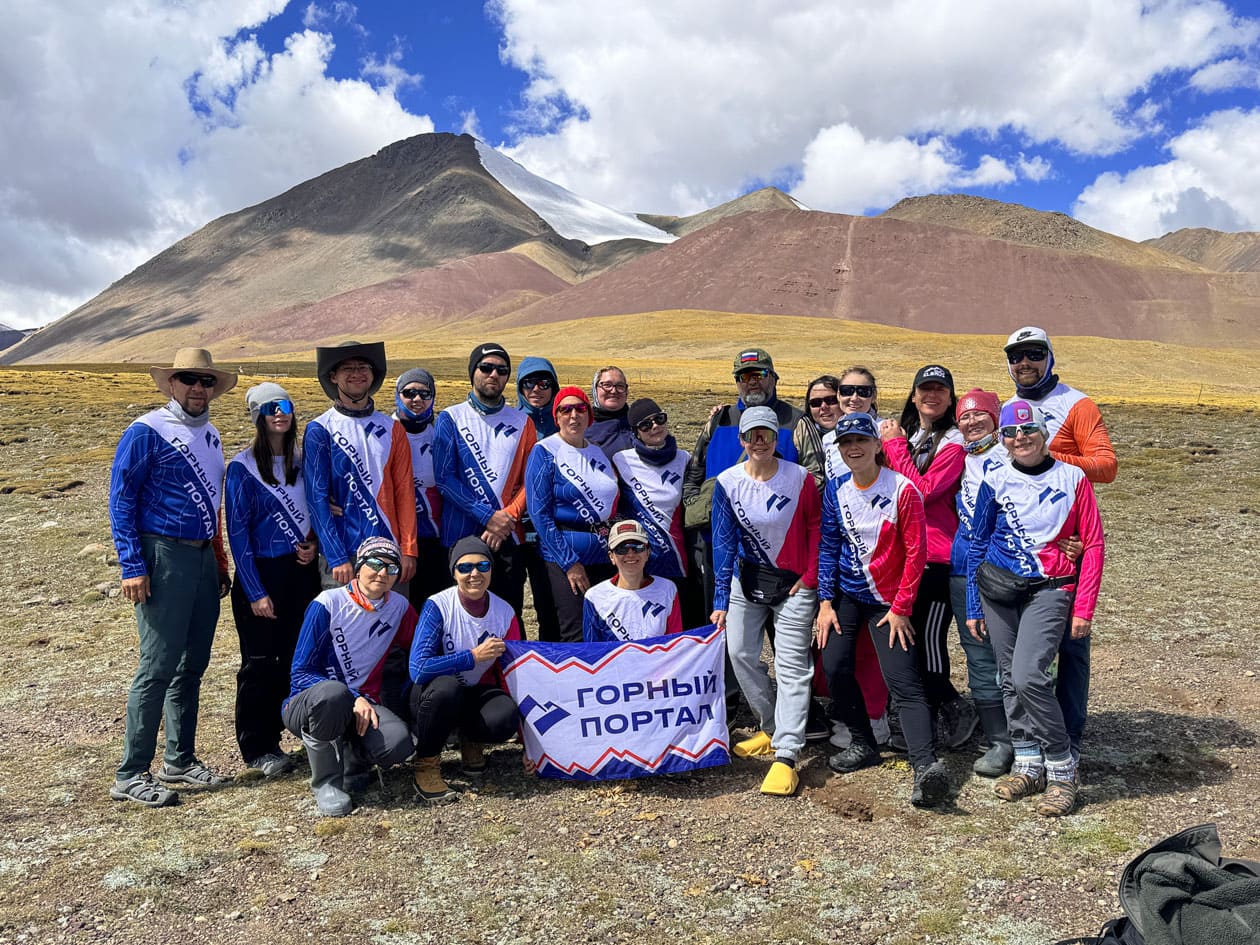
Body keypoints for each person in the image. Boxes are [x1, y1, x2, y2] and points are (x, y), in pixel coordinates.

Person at [108, 348, 236, 806]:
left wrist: (218, 560)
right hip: (162, 552)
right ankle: (131, 772)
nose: (198, 388)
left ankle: (179, 758)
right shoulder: (146, 431)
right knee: (158, 664)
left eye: (206, 381)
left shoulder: (212, 435)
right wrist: (132, 565)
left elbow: (212, 505)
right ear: (171, 384)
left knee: (192, 663)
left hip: (201, 556)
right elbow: (121, 499)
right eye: (188, 379)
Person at [966, 401, 1105, 816]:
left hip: (1051, 587)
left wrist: (1084, 608)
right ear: (1002, 439)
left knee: (1029, 675)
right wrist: (973, 604)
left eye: (1029, 430)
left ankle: (1062, 768)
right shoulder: (995, 477)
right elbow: (978, 541)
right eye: (1010, 432)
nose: (1020, 438)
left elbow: (1094, 544)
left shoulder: (1072, 477)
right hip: (998, 589)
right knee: (1008, 676)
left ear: (1044, 434)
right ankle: (1028, 762)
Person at [814, 413, 949, 808]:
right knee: (834, 666)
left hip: (890, 602)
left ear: (877, 445)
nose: (853, 448)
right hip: (847, 595)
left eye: (860, 440)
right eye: (845, 442)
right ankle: (863, 743)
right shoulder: (836, 489)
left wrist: (902, 608)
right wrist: (825, 602)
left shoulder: (903, 489)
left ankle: (925, 767)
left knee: (902, 680)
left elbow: (916, 552)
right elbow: (829, 546)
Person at [1003, 326, 1117, 760]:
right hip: (1022, 546)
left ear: (1050, 356)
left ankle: (1071, 736)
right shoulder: (1010, 407)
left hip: (1069, 541)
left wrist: (1046, 456)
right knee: (1022, 647)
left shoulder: (1077, 404)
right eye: (1016, 356)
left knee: (1071, 642)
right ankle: (1030, 736)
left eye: (1034, 353)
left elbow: (1106, 465)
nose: (1025, 363)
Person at [709, 407, 819, 798]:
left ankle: (787, 752)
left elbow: (816, 526)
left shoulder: (800, 478)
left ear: (777, 439)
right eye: (752, 435)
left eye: (767, 435)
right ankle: (771, 726)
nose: (759, 442)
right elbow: (723, 542)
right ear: (741, 440)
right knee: (739, 653)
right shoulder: (727, 482)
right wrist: (721, 597)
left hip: (794, 584)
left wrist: (810, 577)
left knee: (792, 666)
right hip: (747, 580)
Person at [225, 382, 320, 777]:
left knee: (298, 655)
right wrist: (254, 591)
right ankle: (256, 745)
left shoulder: (303, 460)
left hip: (300, 573)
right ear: (257, 417)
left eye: (284, 405)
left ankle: (291, 729)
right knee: (260, 663)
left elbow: (316, 509)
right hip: (261, 574)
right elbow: (238, 533)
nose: (279, 413)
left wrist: (314, 543)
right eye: (269, 408)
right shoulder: (242, 468)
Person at [284, 537, 418, 817]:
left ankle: (353, 756)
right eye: (375, 563)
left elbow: (420, 651)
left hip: (365, 705)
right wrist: (353, 697)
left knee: (398, 742)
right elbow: (301, 672)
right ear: (359, 567)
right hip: (311, 703)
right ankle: (326, 783)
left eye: (391, 568)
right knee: (334, 694)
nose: (382, 573)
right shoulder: (328, 603)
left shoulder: (399, 607)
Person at [880, 365, 975, 749]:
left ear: (951, 399)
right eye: (925, 389)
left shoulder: (953, 442)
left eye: (940, 390)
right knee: (907, 640)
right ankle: (918, 717)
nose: (931, 396)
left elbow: (921, 491)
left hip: (937, 558)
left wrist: (894, 448)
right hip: (901, 556)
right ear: (914, 395)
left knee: (930, 641)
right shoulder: (908, 434)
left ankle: (954, 708)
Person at [408, 536, 522, 803]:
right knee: (447, 688)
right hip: (432, 693)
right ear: (454, 573)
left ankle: (471, 739)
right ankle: (426, 762)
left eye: (483, 566)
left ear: (491, 570)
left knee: (505, 716)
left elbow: (513, 673)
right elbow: (418, 669)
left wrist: (529, 743)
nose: (474, 574)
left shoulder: (505, 612)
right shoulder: (438, 605)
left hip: (474, 691)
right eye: (465, 567)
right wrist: (471, 656)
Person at [433, 342, 536, 621]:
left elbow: (530, 481)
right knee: (459, 619)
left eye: (502, 370)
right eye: (486, 367)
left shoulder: (522, 422)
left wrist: (507, 518)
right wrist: (488, 516)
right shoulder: (450, 418)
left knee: (507, 617)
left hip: (507, 537)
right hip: (459, 535)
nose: (494, 375)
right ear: (473, 372)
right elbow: (444, 478)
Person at [304, 341, 417, 588]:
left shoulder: (393, 429)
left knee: (394, 614)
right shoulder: (319, 429)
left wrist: (409, 549)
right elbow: (316, 498)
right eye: (348, 368)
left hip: (389, 549)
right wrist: (336, 556)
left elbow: (405, 492)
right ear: (333, 376)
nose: (357, 373)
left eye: (363, 367)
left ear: (373, 374)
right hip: (344, 554)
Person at [947, 389, 1013, 777]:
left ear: (995, 417)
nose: (971, 422)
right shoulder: (959, 457)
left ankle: (1033, 734)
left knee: (1016, 653)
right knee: (978, 652)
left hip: (1008, 570)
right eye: (965, 417)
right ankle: (998, 739)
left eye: (979, 415)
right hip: (964, 568)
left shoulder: (1013, 453)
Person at [525, 386, 621, 641]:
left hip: (603, 555)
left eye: (580, 409)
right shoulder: (545, 451)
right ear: (556, 417)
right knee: (576, 632)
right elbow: (539, 514)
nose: (573, 416)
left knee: (604, 630)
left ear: (589, 415)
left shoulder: (597, 452)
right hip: (565, 556)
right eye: (565, 410)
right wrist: (569, 563)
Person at [612, 398, 706, 628]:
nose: (654, 426)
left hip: (678, 561)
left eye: (659, 419)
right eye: (645, 425)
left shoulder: (684, 458)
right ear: (636, 432)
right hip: (641, 561)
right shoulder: (621, 461)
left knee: (682, 628)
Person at [391, 368, 448, 614]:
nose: (417, 399)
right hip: (397, 538)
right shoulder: (384, 430)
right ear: (397, 395)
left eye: (425, 394)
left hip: (437, 537)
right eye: (409, 393)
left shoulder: (441, 433)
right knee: (402, 612)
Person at [515, 357, 562, 641]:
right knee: (511, 603)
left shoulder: (564, 425)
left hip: (553, 530)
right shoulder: (511, 423)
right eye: (529, 383)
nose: (536, 389)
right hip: (516, 529)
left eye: (544, 383)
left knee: (550, 604)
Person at [583, 520, 684, 642]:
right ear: (611, 556)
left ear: (647, 553)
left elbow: (675, 644)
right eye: (622, 549)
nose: (630, 554)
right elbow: (592, 649)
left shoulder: (668, 589)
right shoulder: (594, 597)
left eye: (638, 547)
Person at [586, 365, 633, 460]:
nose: (614, 391)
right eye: (607, 385)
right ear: (595, 389)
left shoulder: (640, 422)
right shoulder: (584, 427)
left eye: (620, 386)